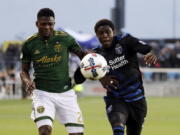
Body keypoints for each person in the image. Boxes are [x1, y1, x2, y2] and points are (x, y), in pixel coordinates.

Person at [20, 8, 86, 135]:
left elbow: (83, 55)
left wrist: (91, 59)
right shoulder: (29, 44)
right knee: (45, 131)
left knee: (77, 133)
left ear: (54, 23)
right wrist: (27, 82)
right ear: (37, 24)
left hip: (66, 93)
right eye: (43, 24)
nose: (47, 27)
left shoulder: (66, 39)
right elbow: (24, 70)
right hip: (42, 93)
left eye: (50, 24)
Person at [94, 19, 157, 135]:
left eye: (108, 32)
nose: (105, 36)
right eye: (101, 33)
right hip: (116, 99)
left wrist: (149, 53)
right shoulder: (96, 55)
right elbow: (80, 76)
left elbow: (146, 48)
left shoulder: (126, 40)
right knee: (118, 129)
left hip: (137, 100)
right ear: (97, 35)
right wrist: (99, 77)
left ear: (113, 31)